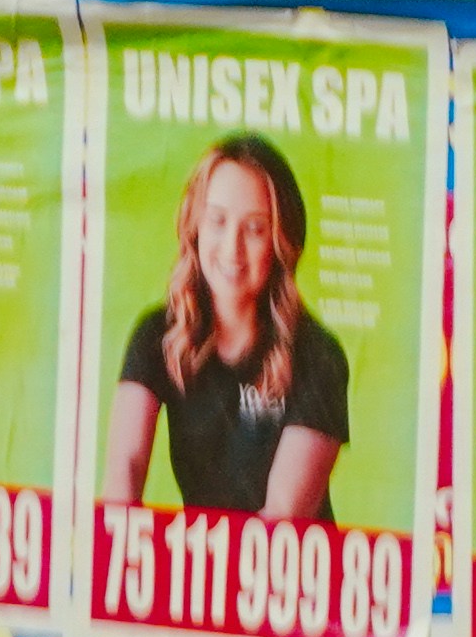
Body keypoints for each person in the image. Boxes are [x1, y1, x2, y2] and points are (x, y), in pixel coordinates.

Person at [109, 133, 346, 519]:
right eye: (218, 220)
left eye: (254, 228)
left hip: (279, 556)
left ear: (281, 241)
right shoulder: (157, 334)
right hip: (199, 552)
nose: (232, 247)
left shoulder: (319, 356)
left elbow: (283, 515)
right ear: (195, 225)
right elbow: (124, 469)